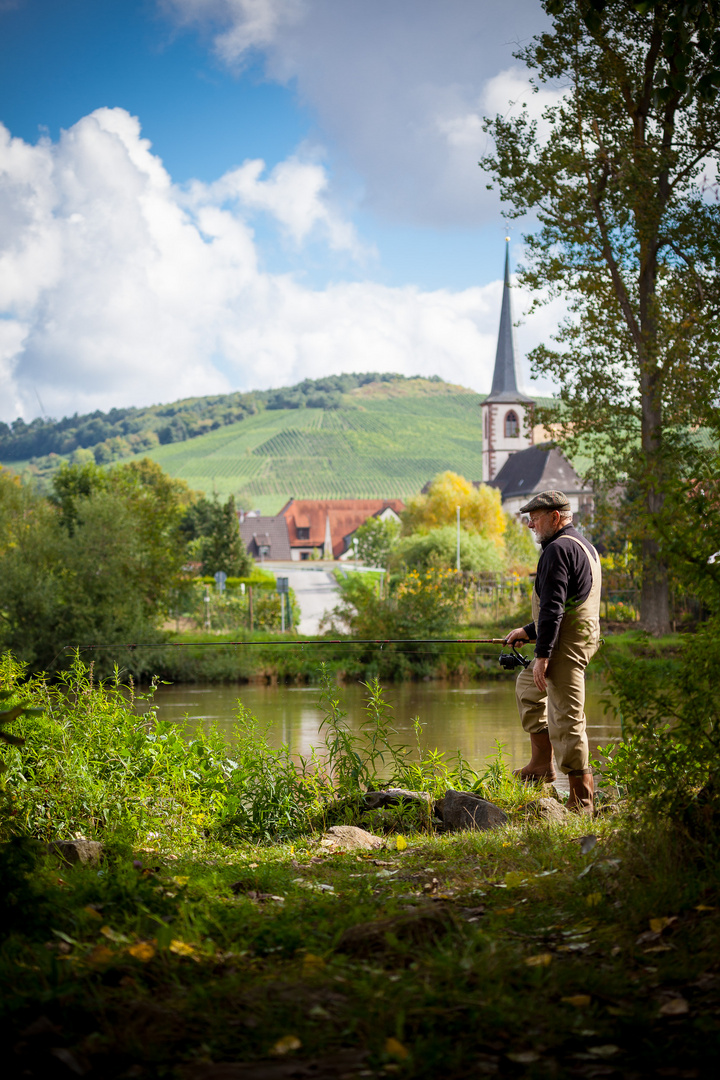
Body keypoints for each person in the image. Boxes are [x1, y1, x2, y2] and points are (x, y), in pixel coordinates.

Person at [505, 491, 601, 813]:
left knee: (567, 718)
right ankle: (541, 766)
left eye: (535, 517)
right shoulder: (581, 545)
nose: (530, 523)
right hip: (574, 639)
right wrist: (528, 632)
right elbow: (566, 603)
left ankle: (582, 800)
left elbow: (554, 609)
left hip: (565, 647)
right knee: (528, 689)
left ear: (555, 517)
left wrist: (542, 656)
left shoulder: (557, 550)